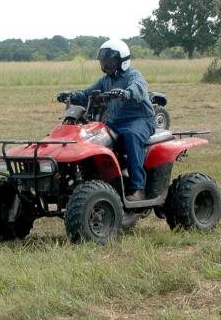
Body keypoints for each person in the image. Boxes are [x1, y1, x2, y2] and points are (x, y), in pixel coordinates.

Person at [57, 39, 155, 202]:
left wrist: (126, 93)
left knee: (131, 136)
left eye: (109, 61)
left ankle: (138, 188)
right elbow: (88, 94)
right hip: (115, 122)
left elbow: (138, 88)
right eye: (103, 61)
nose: (105, 65)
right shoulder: (106, 80)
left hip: (139, 120)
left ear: (121, 60)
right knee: (91, 138)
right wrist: (71, 95)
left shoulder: (134, 75)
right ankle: (98, 183)